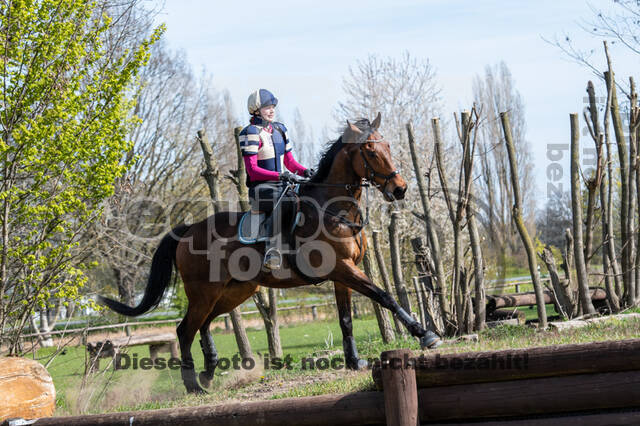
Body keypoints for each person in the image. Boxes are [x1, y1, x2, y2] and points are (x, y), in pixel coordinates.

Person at [238, 89, 313, 270]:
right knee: (287, 201)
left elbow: (290, 162)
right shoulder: (250, 132)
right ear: (256, 110)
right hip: (260, 189)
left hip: (281, 185)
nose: (271, 110)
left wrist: (306, 172)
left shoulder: (280, 129)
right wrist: (280, 175)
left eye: (272, 107)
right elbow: (253, 170)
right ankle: (272, 251)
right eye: (266, 107)